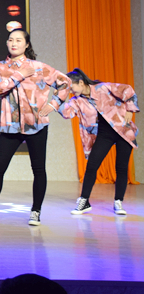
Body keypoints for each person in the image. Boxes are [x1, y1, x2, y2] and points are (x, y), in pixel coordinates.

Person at [0, 28, 70, 226]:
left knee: (38, 169)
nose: (14, 43)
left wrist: (54, 104)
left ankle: (36, 211)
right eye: (10, 40)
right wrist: (19, 75)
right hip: (11, 126)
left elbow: (65, 82)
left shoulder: (39, 67)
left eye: (18, 40)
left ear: (26, 44)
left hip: (36, 125)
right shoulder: (0, 67)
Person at [60, 68, 138, 216]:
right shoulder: (77, 100)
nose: (70, 91)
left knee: (121, 168)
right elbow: (66, 113)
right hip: (103, 135)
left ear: (81, 83)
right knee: (92, 166)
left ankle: (118, 202)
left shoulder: (103, 88)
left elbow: (127, 90)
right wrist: (59, 97)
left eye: (71, 87)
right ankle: (84, 201)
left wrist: (130, 109)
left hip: (123, 130)